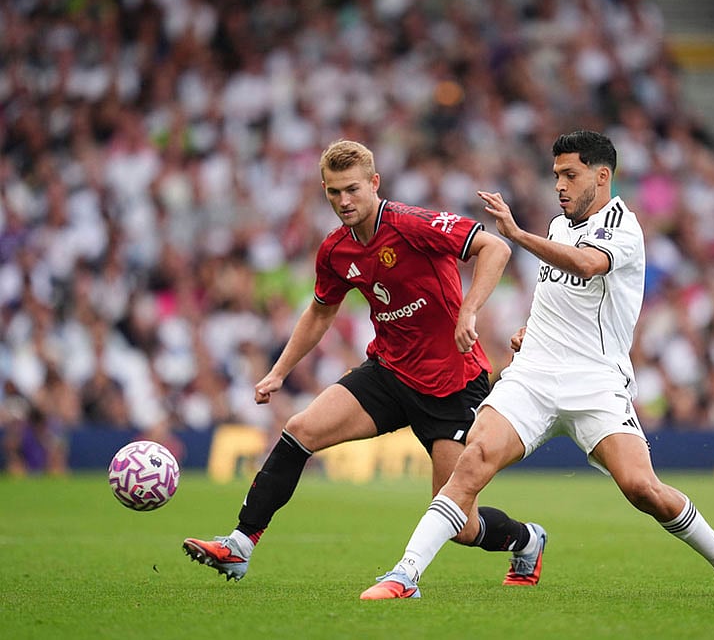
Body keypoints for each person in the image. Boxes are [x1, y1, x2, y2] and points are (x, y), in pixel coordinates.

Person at [360, 130, 714, 600]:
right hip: (534, 375)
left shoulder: (624, 227)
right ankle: (404, 575)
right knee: (472, 462)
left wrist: (518, 235)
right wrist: (529, 329)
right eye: (556, 174)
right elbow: (557, 293)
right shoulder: (560, 225)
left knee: (642, 487)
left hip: (595, 381)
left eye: (569, 174)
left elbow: (585, 266)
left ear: (602, 177)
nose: (558, 184)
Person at [183, 140, 543, 586]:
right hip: (389, 373)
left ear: (374, 183)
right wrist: (279, 371)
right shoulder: (335, 250)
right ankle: (240, 544)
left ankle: (526, 540)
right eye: (333, 192)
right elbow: (319, 311)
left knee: (458, 522)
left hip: (451, 386)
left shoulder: (413, 224)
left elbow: (496, 249)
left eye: (352, 189)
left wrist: (469, 310)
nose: (343, 201)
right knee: (300, 430)